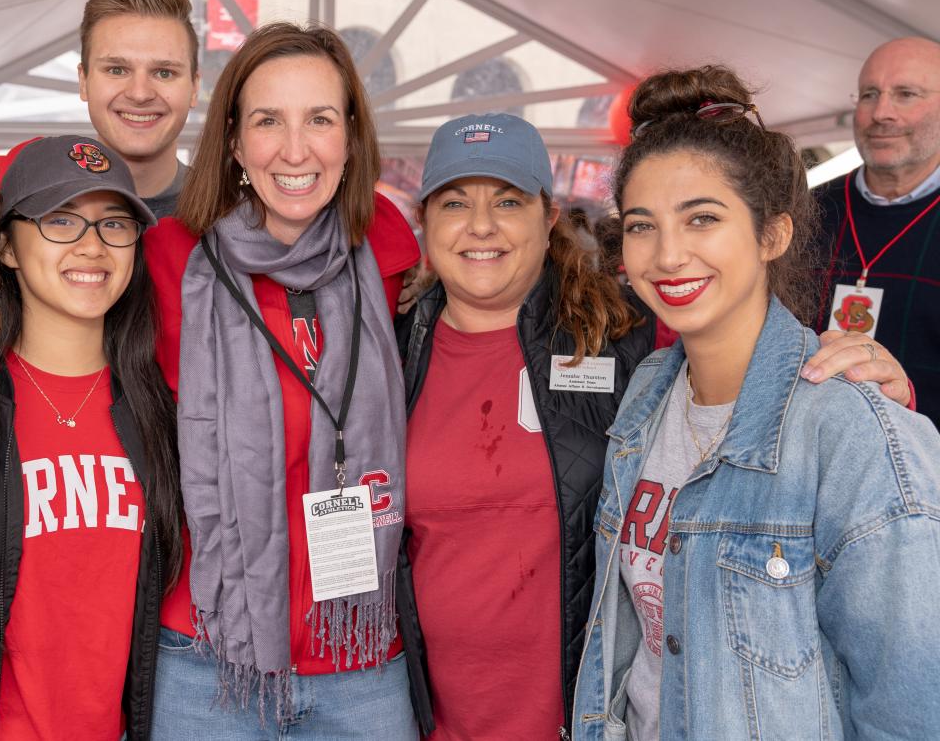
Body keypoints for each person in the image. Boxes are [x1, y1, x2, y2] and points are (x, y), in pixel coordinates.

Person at [395, 110, 909, 740]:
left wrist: (873, 380)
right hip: (458, 715)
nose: (481, 224)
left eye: (507, 199)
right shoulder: (387, 352)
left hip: (576, 713)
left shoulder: (624, 340)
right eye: (453, 203)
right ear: (423, 221)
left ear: (549, 217)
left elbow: (902, 686)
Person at [572, 67, 940, 740]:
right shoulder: (647, 395)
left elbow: (911, 709)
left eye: (702, 218)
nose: (668, 254)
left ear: (771, 234)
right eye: (642, 225)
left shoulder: (854, 433)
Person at [145, 22, 421, 737]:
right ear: (234, 140)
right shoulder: (169, 261)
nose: (295, 150)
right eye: (268, 120)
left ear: (352, 137)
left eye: (319, 119)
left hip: (358, 652)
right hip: (210, 655)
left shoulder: (390, 248)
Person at [0, 135, 182, 740]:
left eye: (115, 224)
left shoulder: (158, 411)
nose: (92, 246)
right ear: (7, 248)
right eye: (60, 220)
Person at [812, 36, 940, 423]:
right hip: (800, 463)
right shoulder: (802, 213)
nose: (881, 112)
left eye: (906, 94)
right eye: (869, 94)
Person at [79, 0, 201, 218]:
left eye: (164, 73)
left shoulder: (234, 219)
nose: (140, 94)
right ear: (84, 81)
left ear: (194, 88)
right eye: (117, 69)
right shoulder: (31, 211)